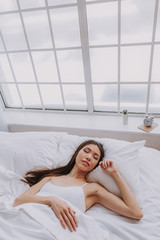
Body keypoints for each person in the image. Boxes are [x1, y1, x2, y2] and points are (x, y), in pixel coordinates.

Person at [13, 139, 143, 232]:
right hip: (22, 220)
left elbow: (135, 212)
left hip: (48, 230)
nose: (88, 157)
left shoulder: (92, 189)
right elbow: (19, 201)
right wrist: (52, 200)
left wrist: (115, 174)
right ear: (77, 153)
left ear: (96, 164)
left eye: (95, 157)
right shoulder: (50, 178)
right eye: (86, 151)